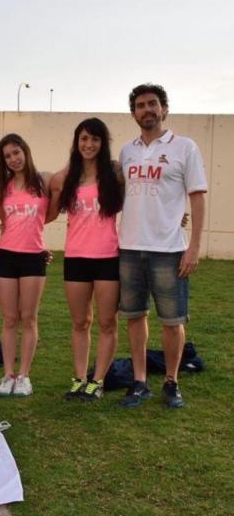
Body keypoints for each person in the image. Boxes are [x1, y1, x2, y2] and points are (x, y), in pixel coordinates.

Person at [118, 83, 207, 408]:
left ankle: (172, 381)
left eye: (153, 104)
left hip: (169, 250)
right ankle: (140, 381)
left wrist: (193, 247)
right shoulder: (126, 152)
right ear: (133, 113)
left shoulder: (185, 147)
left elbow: (196, 198)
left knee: (172, 320)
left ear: (164, 109)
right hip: (129, 248)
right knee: (135, 316)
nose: (147, 110)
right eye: (140, 105)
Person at [48, 118, 123, 401]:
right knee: (80, 322)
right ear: (76, 142)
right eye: (83, 139)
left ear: (103, 143)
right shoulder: (66, 177)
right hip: (76, 258)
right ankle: (79, 378)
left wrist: (174, 214)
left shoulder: (115, 174)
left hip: (107, 258)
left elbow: (142, 201)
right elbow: (47, 210)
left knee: (107, 323)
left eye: (94, 139)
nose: (88, 144)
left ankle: (98, 380)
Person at [0, 134, 52, 397]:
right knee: (9, 318)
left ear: (25, 151)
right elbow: (4, 217)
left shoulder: (44, 181)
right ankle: (8, 374)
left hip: (33, 257)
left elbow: (48, 214)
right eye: (8, 156)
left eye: (16, 153)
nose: (13, 159)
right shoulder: (2, 187)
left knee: (28, 318)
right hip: (7, 256)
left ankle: (24, 376)